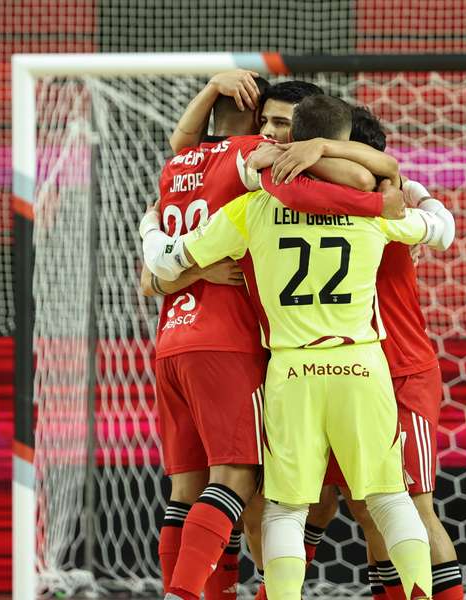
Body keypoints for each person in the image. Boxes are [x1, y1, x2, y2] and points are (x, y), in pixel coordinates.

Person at [141, 94, 456, 600]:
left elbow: (169, 260)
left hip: (290, 369)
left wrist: (151, 229)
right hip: (362, 363)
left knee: (286, 508)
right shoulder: (377, 208)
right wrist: (407, 193)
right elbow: (440, 229)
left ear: (297, 140)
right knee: (391, 502)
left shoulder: (254, 204)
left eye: (279, 125)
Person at [261, 105, 465, 600]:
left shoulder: (385, 200)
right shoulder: (376, 202)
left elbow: (442, 227)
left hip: (397, 371)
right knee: (352, 507)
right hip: (342, 372)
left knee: (408, 507)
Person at [143, 70, 270, 600]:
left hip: (172, 335)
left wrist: (213, 86)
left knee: (185, 489)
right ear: (261, 120)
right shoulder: (251, 154)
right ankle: (188, 594)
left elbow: (151, 279)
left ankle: (205, 593)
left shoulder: (175, 169)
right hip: (225, 339)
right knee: (238, 478)